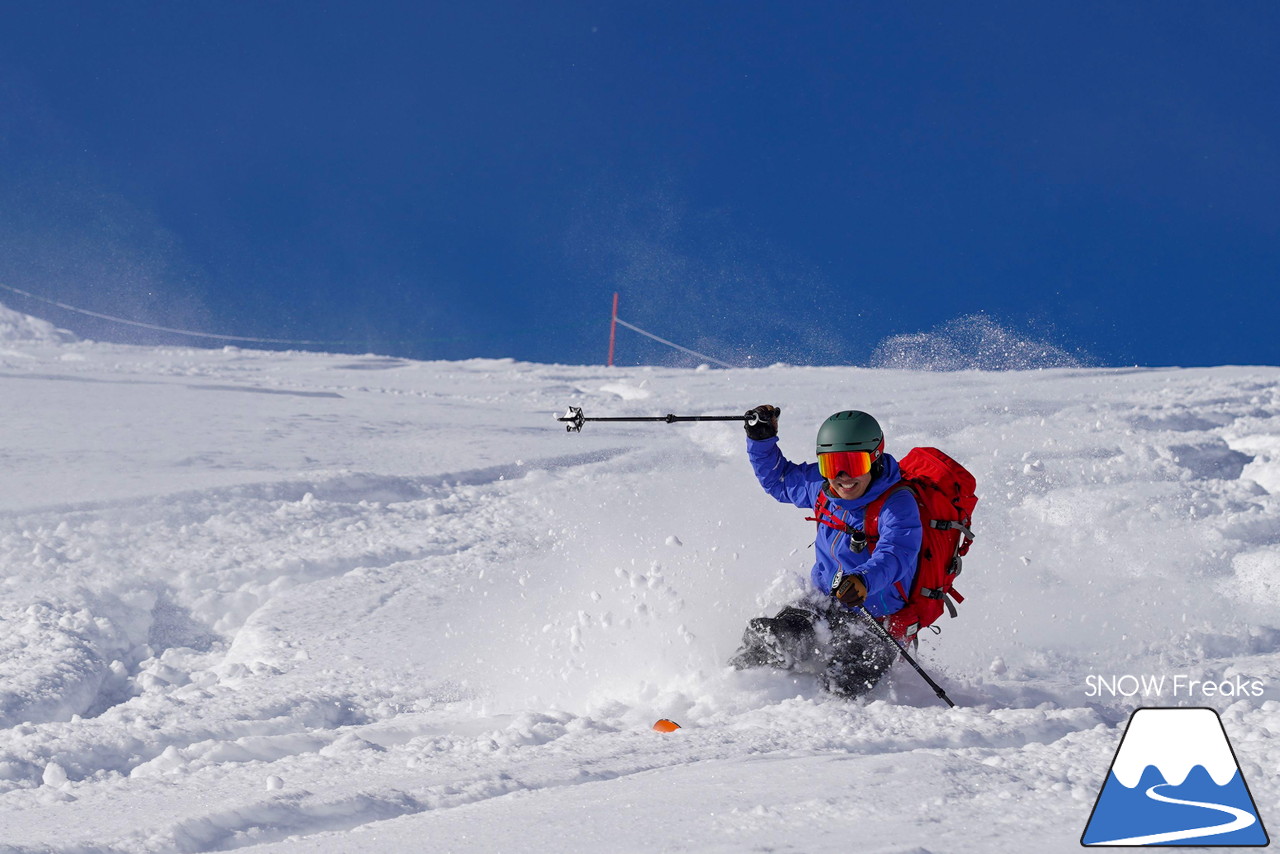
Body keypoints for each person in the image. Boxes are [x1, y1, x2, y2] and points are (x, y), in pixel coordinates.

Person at [730, 405, 923, 697]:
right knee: (770, 639)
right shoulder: (822, 490)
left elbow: (897, 552)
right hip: (823, 603)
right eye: (831, 465)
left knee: (844, 682)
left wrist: (863, 580)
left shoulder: (897, 503)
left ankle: (825, 731)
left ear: (875, 458)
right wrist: (761, 440)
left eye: (853, 464)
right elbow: (778, 480)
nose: (842, 477)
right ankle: (729, 695)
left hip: (875, 620)